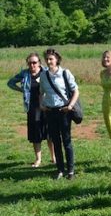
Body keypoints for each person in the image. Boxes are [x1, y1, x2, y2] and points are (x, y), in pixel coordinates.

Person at [7, 53, 55, 167]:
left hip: (47, 105)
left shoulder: (46, 72)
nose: (32, 65)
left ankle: (54, 157)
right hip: (32, 107)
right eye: (30, 63)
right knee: (35, 134)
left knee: (50, 133)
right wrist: (21, 90)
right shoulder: (24, 74)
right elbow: (10, 83)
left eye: (34, 62)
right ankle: (38, 159)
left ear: (39, 63)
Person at [39, 48, 80, 180]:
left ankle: (71, 171)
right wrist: (41, 105)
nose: (48, 61)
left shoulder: (65, 73)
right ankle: (60, 170)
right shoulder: (43, 75)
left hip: (64, 111)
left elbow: (76, 91)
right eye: (47, 59)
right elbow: (41, 92)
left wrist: (70, 106)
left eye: (51, 58)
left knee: (66, 141)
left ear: (57, 59)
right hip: (50, 112)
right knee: (56, 141)